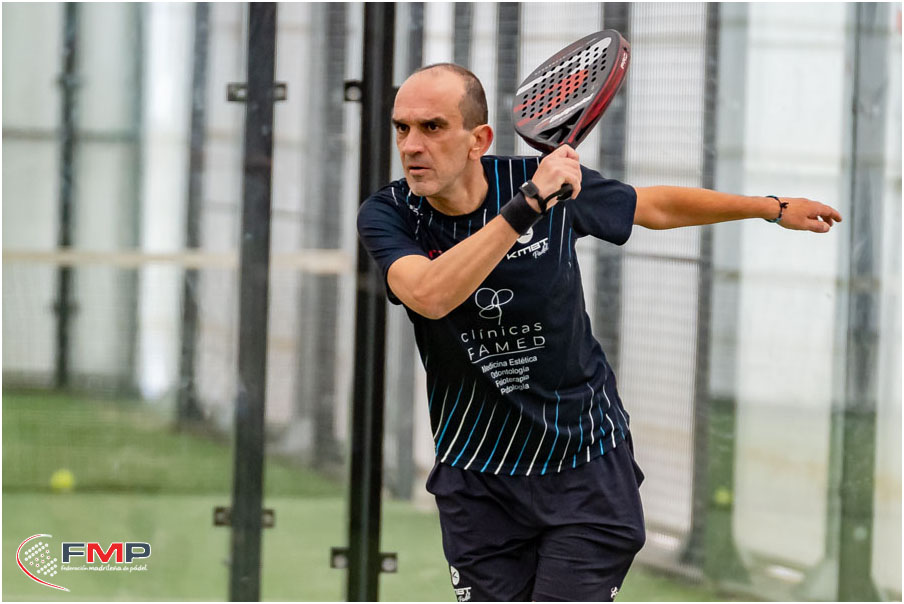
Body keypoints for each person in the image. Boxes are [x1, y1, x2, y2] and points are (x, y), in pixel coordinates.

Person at [357, 63, 842, 602]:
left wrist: (772, 208)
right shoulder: (390, 213)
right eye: (402, 128)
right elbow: (429, 295)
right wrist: (528, 206)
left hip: (584, 466)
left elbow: (652, 206)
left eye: (432, 127)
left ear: (479, 140)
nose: (412, 145)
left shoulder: (541, 184)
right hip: (477, 478)